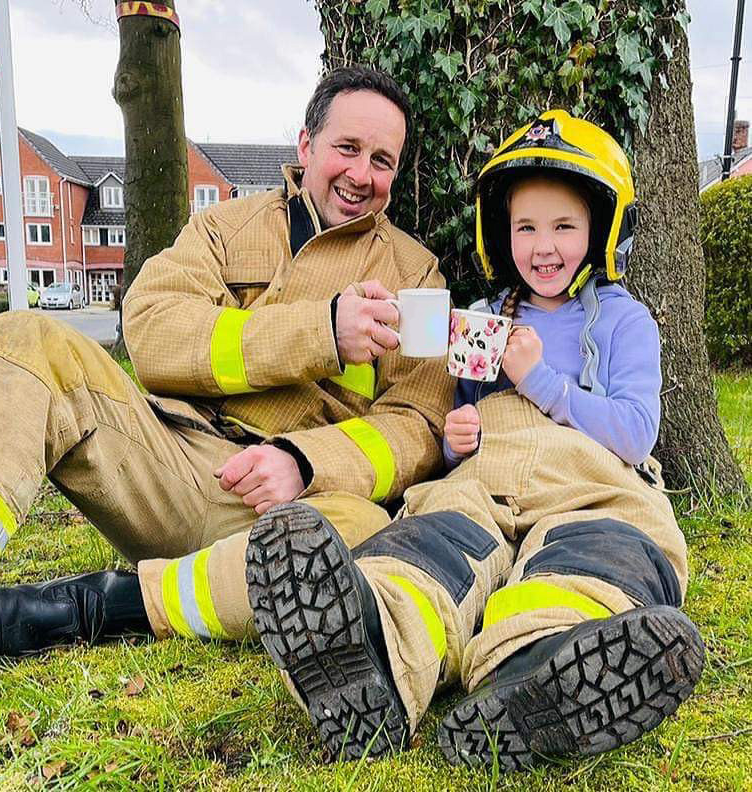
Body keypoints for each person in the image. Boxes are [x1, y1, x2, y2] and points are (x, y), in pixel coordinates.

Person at [0, 66, 455, 737]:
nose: (362, 174)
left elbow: (415, 428)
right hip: (169, 461)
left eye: (382, 160)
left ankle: (71, 611)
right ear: (305, 142)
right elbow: (153, 332)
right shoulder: (226, 226)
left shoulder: (414, 271)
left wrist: (301, 459)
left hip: (283, 510)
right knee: (23, 338)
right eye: (347, 148)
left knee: (362, 537)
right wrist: (318, 330)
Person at [244, 110, 704, 770]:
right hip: (485, 477)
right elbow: (460, 420)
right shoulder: (484, 320)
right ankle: (377, 643)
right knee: (437, 538)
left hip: (590, 481)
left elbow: (633, 435)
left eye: (563, 227)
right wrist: (460, 437)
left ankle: (539, 664)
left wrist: (537, 377)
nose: (542, 246)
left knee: (599, 550)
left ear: (602, 230)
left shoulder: (624, 322)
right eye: (525, 228)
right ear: (500, 234)